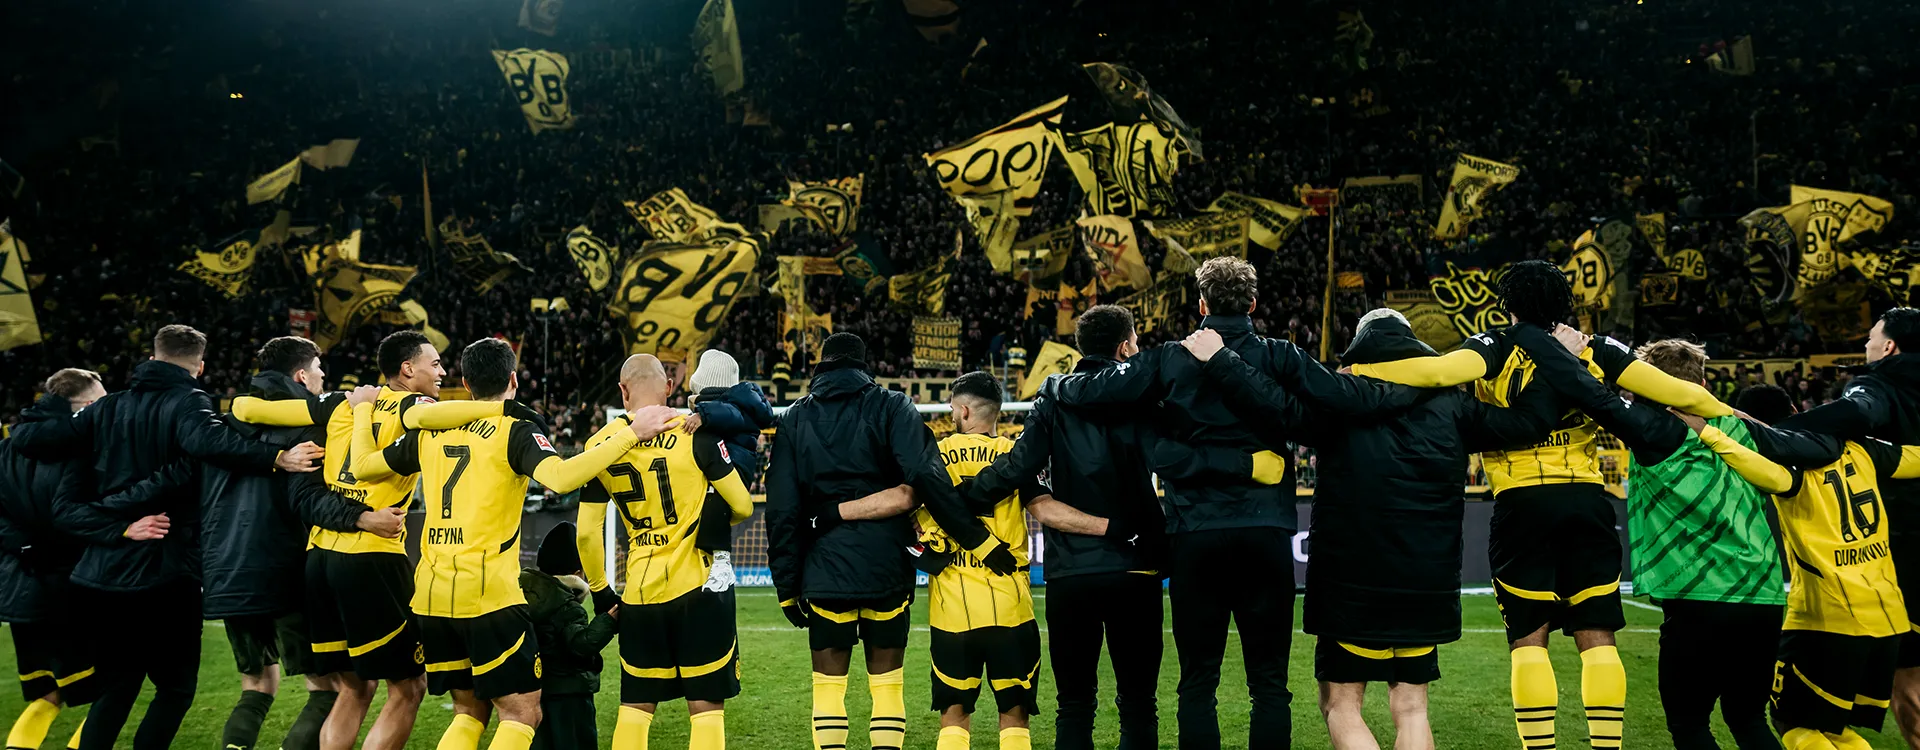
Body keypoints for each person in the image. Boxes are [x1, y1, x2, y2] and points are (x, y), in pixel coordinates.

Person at [1346, 261, 1736, 750]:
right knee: (1597, 637)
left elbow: (1437, 371)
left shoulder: (1495, 343)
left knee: (1529, 639)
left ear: (1507, 305)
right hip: (1588, 499)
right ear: (1565, 305)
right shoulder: (1596, 350)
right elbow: (1681, 393)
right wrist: (1737, 417)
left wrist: (1360, 368)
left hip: (1521, 503)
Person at [1038, 258, 1425, 750]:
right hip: (1264, 532)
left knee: (1198, 682)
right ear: (1253, 304)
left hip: (1195, 536)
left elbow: (1095, 388)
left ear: (1201, 304)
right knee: (1269, 685)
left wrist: (1054, 383)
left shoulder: (1168, 359)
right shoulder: (1281, 355)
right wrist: (1415, 387)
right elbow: (1341, 400)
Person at [1180, 308, 1569, 750]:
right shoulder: (1454, 406)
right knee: (1412, 708)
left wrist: (1222, 360)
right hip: (1427, 582)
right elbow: (1530, 422)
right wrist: (1559, 363)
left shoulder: (1340, 401)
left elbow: (1275, 404)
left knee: (1341, 706)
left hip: (1353, 582)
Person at [346, 338, 679, 750]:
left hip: (431, 596)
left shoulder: (430, 428)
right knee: (522, 713)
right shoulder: (514, 428)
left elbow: (362, 466)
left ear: (465, 383)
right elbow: (560, 477)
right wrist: (629, 433)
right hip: (487, 597)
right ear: (513, 380)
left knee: (470, 712)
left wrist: (362, 411)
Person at [6, 325, 324, 750]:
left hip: (100, 576)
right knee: (174, 690)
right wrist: (277, 457)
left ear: (152, 358)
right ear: (201, 365)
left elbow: (32, 442)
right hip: (164, 570)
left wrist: (114, 518)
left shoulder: (106, 410)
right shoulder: (190, 403)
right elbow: (209, 445)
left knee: (115, 689)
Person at [233, 329, 497, 750]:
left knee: (354, 689)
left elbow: (246, 407)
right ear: (408, 369)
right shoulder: (417, 405)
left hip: (319, 559)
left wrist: (357, 408)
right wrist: (504, 408)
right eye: (435, 364)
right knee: (408, 688)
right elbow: (444, 418)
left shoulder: (340, 402)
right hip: (372, 559)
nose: (443, 372)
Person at [765, 332, 1016, 750]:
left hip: (824, 567)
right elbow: (927, 479)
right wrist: (977, 539)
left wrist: (787, 586)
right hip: (885, 566)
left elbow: (781, 509)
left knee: (828, 689)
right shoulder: (892, 405)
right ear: (865, 366)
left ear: (822, 366)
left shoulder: (794, 418)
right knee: (887, 687)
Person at [952, 305, 1173, 750]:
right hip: (1137, 565)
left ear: (1079, 347)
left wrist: (964, 498)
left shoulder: (1054, 395)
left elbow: (1018, 464)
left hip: (1072, 571)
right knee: (1138, 702)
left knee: (1074, 703)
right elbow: (1172, 458)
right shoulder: (1144, 392)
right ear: (1125, 345)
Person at [1674, 386, 1919, 750]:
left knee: (1792, 721)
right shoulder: (1863, 448)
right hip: (1888, 619)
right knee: (1833, 729)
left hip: (1828, 617)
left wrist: (1708, 431)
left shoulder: (1790, 465)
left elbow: (1755, 465)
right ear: (1795, 409)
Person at [207, 337, 409, 750]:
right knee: (335, 689)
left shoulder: (223, 424)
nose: (322, 379)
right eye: (319, 371)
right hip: (284, 570)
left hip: (226, 571)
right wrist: (362, 516)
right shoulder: (309, 425)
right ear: (301, 375)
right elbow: (307, 499)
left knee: (256, 685)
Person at [573, 353, 757, 750]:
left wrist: (604, 592)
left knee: (636, 710)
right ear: (670, 388)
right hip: (700, 588)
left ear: (622, 391)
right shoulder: (696, 431)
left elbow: (587, 534)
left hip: (639, 593)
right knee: (706, 710)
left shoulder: (601, 445)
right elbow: (742, 506)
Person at [1623, 341, 1787, 750]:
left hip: (1700, 597)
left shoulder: (1652, 431)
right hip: (1764, 598)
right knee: (1749, 720)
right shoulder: (1742, 428)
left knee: (1690, 725)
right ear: (1701, 381)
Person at [1771, 307, 1920, 745]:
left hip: (1898, 553)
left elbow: (1858, 414)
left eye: (1872, 337)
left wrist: (1787, 431)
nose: (1867, 344)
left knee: (1907, 688)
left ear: (1889, 346)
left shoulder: (1876, 382)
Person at [914, 372, 1053, 750]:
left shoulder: (934, 456)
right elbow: (1046, 511)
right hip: (1010, 603)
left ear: (962, 409)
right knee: (1014, 714)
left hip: (951, 609)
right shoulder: (1015, 457)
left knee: (954, 716)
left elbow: (906, 510)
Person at [0, 369, 108, 750]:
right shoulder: (78, 447)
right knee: (112, 686)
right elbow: (74, 515)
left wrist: (22, 546)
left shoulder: (8, 446)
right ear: (85, 406)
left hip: (20, 590)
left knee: (48, 692)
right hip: (69, 584)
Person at [519, 523, 618, 750]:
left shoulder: (525, 593)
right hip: (569, 692)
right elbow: (580, 645)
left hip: (535, 689)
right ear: (576, 573)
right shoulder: (566, 604)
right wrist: (608, 621)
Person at [686, 348, 775, 594]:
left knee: (715, 503)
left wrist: (703, 414)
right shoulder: (740, 403)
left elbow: (729, 415)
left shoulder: (733, 407)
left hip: (732, 468)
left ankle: (723, 563)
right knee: (710, 509)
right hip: (732, 467)